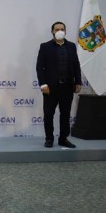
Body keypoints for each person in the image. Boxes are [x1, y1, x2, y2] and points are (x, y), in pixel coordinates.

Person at [36, 21, 82, 149]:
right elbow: (40, 67)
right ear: (52, 31)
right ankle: (49, 139)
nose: (60, 31)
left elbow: (76, 65)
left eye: (62, 29)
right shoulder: (45, 47)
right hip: (50, 88)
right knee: (48, 114)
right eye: (57, 29)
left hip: (67, 87)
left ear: (65, 31)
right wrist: (43, 84)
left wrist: (78, 82)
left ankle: (63, 139)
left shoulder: (71, 46)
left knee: (65, 114)